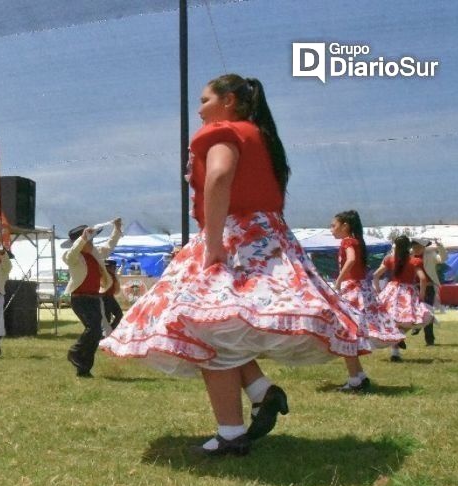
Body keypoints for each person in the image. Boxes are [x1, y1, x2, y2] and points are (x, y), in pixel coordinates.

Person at [100, 74, 371, 456]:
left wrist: (212, 243)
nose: (199, 108)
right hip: (267, 236)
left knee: (207, 327)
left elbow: (219, 177)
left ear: (228, 100)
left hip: (234, 236)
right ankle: (262, 393)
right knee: (221, 326)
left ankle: (231, 432)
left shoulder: (223, 131)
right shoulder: (262, 137)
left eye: (205, 99)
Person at [330, 210, 404, 392]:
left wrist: (339, 280)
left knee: (346, 333)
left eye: (334, 225)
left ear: (345, 226)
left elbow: (351, 260)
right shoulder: (357, 242)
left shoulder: (348, 241)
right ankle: (359, 377)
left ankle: (355, 380)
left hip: (352, 290)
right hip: (361, 288)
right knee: (350, 334)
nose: (332, 229)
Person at [63, 218, 122, 377]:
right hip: (80, 298)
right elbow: (72, 252)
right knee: (93, 328)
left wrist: (116, 229)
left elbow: (110, 245)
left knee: (95, 334)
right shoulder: (71, 256)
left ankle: (84, 368)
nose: (92, 243)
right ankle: (75, 352)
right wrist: (82, 239)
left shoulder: (95, 253)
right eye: (89, 240)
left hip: (95, 298)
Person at [372, 236, 433, 362]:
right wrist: (421, 295)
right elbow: (423, 279)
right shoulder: (414, 261)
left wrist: (378, 290)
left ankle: (395, 352)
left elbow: (375, 275)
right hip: (407, 292)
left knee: (393, 321)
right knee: (412, 319)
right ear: (408, 247)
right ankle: (399, 338)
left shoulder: (389, 260)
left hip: (391, 291)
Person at [410, 237, 446, 345]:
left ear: (423, 247)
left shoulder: (430, 255)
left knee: (428, 311)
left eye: (418, 247)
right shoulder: (409, 255)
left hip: (429, 287)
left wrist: (440, 247)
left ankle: (429, 340)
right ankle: (416, 326)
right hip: (413, 287)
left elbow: (443, 259)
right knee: (412, 310)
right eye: (414, 247)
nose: (416, 249)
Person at [102, 259, 123, 333]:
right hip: (103, 298)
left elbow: (119, 273)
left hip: (110, 297)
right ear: (107, 267)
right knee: (106, 317)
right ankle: (106, 333)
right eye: (113, 267)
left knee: (119, 314)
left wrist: (122, 265)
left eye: (114, 268)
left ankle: (110, 330)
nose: (114, 269)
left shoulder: (114, 275)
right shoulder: (103, 275)